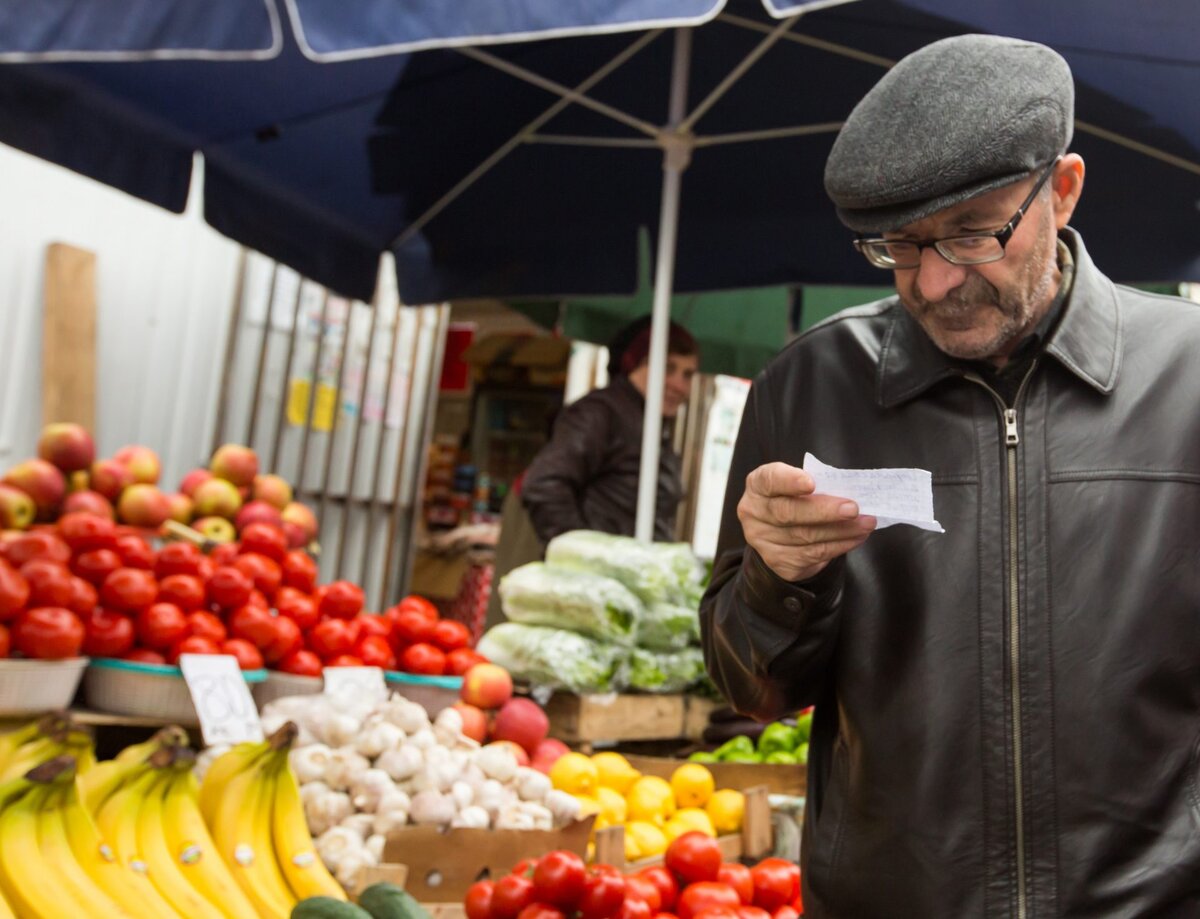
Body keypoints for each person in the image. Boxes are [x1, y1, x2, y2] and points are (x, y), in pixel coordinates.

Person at [700, 34, 1200, 917]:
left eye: (972, 236)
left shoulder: (1189, 380)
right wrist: (778, 580)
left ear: (1066, 190)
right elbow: (753, 688)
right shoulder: (809, 385)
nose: (932, 283)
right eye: (899, 245)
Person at [521, 317, 699, 543]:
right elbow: (544, 484)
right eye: (667, 368)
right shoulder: (600, 413)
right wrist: (584, 557)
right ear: (634, 363)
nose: (679, 385)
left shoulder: (657, 426)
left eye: (688, 374)